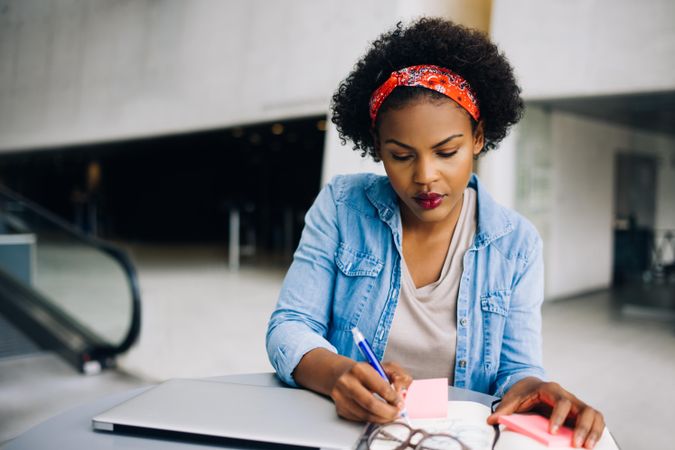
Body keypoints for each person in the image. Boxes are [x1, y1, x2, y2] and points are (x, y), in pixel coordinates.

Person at [266, 18, 604, 449]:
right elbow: (290, 325)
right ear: (377, 147)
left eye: (447, 152)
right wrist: (337, 376)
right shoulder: (341, 207)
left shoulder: (517, 245)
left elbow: (516, 369)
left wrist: (533, 386)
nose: (425, 177)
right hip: (347, 435)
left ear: (479, 137)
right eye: (401, 155)